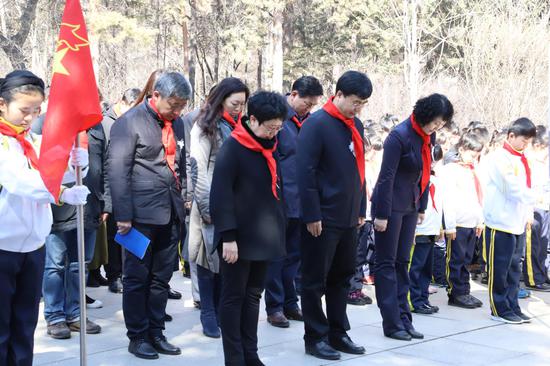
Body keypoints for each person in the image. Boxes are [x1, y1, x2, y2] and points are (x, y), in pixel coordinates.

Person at [0, 70, 89, 366]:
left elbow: (51, 172)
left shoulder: (33, 141)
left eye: (36, 110)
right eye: (24, 110)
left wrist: (76, 166)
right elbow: (20, 182)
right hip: (3, 247)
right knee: (2, 329)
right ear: (2, 104)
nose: (30, 117)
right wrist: (62, 193)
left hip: (34, 246)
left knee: (25, 325)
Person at [108, 72, 191, 359]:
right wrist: (123, 216)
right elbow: (118, 172)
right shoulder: (128, 123)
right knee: (136, 278)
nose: (178, 111)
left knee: (161, 279)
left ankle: (156, 331)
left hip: (170, 214)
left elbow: (179, 163)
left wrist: (184, 199)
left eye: (182, 106)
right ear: (155, 95)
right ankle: (138, 336)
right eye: (173, 105)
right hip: (138, 218)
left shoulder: (177, 123)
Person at [297, 70, 370, 361]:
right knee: (315, 279)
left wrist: (361, 208)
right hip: (322, 218)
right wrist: (311, 214)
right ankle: (315, 336)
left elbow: (359, 171)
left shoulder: (356, 125)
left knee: (342, 277)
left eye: (363, 103)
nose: (358, 108)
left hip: (349, 216)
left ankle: (338, 331)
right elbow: (305, 173)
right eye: (355, 101)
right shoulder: (316, 125)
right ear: (338, 95)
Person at [210, 91, 287, 366]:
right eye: (270, 127)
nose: (273, 133)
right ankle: (234, 358)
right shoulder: (233, 147)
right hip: (238, 239)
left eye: (278, 128)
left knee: (254, 295)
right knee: (233, 297)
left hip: (262, 237)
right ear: (252, 119)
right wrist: (228, 237)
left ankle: (250, 354)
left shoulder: (268, 146)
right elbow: (220, 195)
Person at [371, 93, 454, 341]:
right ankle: (392, 322)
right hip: (390, 206)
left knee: (402, 263)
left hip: (410, 205)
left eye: (441, 124)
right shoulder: (399, 136)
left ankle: (404, 318)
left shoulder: (427, 136)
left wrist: (421, 207)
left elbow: (426, 172)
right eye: (435, 122)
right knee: (386, 264)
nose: (437, 128)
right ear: (425, 115)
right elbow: (385, 177)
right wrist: (382, 214)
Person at [189, 77, 250, 338]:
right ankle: (208, 313)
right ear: (221, 99)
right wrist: (206, 208)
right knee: (206, 259)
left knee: (227, 262)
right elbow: (198, 170)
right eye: (235, 103)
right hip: (210, 204)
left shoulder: (242, 126)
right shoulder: (204, 126)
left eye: (243, 104)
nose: (239, 109)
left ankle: (221, 310)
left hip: (235, 205)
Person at [264, 76, 323, 328]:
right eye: (306, 103)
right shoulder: (278, 120)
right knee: (276, 257)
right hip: (279, 199)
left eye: (313, 105)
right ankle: (275, 306)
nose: (308, 108)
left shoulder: (310, 123)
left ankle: (290, 302)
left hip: (303, 201)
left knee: (294, 257)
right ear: (294, 94)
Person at [41, 125, 109, 339]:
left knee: (80, 265)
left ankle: (76, 314)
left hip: (89, 206)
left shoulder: (96, 129)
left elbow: (104, 166)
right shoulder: (48, 123)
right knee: (55, 265)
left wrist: (106, 202)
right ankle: (55, 316)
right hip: (59, 205)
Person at [483, 118, 537, 324]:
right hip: (500, 221)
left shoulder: (523, 159)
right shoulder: (499, 158)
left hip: (517, 221)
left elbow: (529, 186)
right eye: (523, 140)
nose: (525, 145)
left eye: (529, 142)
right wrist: (537, 198)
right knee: (500, 267)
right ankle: (499, 308)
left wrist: (529, 210)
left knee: (515, 267)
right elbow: (511, 188)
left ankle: (512, 304)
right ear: (511, 136)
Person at [90, 87, 140, 294]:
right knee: (113, 234)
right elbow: (105, 162)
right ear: (122, 102)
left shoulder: (131, 121)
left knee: (129, 234)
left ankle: (129, 273)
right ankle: (114, 275)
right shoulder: (105, 122)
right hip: (111, 187)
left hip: (131, 187)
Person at [440, 132, 485, 309]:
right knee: (456, 259)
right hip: (457, 223)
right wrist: (449, 226)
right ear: (462, 149)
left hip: (471, 222)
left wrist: (480, 221)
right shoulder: (451, 170)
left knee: (467, 260)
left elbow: (479, 198)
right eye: (472, 154)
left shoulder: (473, 171)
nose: (474, 158)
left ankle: (464, 290)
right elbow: (448, 199)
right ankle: (455, 292)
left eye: (477, 155)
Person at [523, 128, 550, 291]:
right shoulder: (528, 162)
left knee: (543, 244)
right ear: (538, 146)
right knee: (533, 244)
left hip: (545, 206)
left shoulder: (544, 163)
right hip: (533, 207)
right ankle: (533, 278)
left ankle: (542, 274)